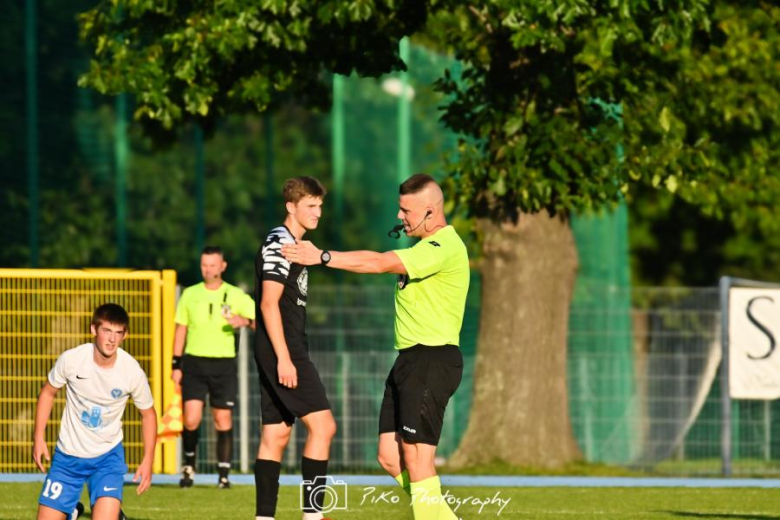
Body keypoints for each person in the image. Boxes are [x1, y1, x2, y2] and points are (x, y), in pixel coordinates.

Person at [282, 173, 469, 520]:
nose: (400, 217)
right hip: (409, 360)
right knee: (389, 455)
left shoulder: (444, 246)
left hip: (432, 359)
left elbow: (380, 262)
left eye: (406, 211)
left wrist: (321, 256)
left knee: (417, 459)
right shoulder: (423, 247)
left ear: (430, 211)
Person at [253, 177, 337, 520]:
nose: (318, 212)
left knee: (276, 434)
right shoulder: (278, 242)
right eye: (310, 206)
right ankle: (313, 516)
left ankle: (264, 517)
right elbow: (268, 304)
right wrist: (285, 359)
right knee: (324, 427)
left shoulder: (298, 244)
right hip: (283, 351)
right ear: (291, 207)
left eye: (320, 205)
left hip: (281, 348)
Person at [33, 303, 157, 520]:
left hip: (107, 458)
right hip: (67, 457)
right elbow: (47, 393)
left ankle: (110, 512)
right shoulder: (72, 359)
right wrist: (38, 437)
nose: (112, 339)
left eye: (118, 333)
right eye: (107, 331)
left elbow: (148, 414)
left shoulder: (132, 372)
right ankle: (71, 512)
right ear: (93, 330)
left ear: (124, 336)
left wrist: (148, 459)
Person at [171, 246, 256, 488]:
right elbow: (181, 329)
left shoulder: (235, 294)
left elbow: (262, 322)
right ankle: (188, 470)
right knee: (191, 419)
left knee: (222, 418)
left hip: (223, 363)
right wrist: (176, 364)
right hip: (194, 362)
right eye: (204, 265)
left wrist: (245, 321)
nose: (207, 269)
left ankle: (224, 475)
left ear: (223, 266)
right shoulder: (190, 294)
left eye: (212, 265)